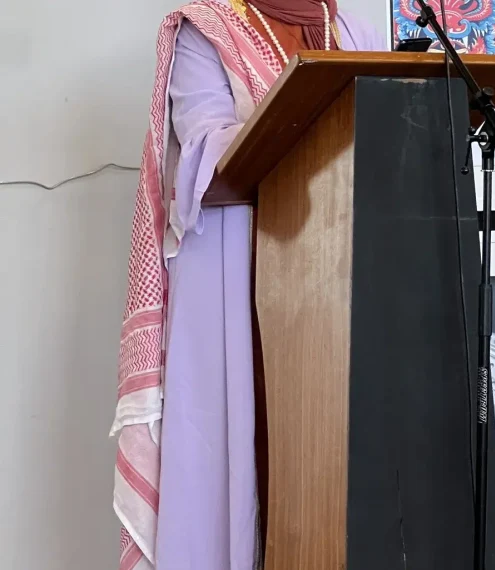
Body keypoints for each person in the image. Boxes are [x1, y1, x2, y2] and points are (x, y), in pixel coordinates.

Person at [111, 2, 384, 569]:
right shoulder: (205, 28)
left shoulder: (350, 25)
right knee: (254, 472)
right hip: (245, 285)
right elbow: (206, 148)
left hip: (348, 278)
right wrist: (311, 131)